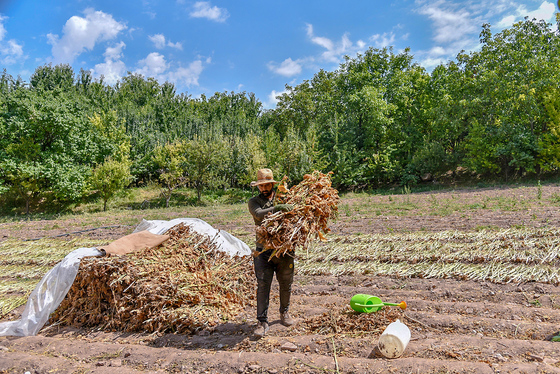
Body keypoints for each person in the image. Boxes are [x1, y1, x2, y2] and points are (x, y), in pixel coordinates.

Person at [248, 168, 294, 338]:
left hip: (284, 249)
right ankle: (262, 321)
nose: (264, 188)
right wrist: (278, 208)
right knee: (263, 285)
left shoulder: (285, 197)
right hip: (263, 250)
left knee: (286, 282)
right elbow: (259, 214)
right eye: (261, 186)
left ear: (272, 184)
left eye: (267, 185)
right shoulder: (253, 201)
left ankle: (284, 312)